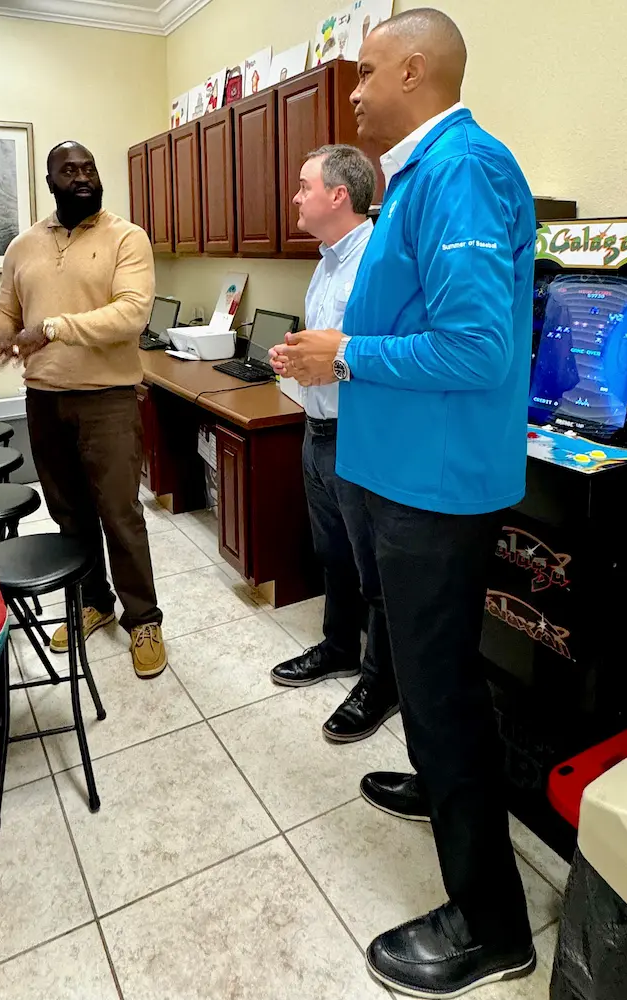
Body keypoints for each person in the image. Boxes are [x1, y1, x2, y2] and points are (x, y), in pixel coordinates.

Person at [270, 9, 537, 998]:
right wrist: (337, 350)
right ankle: (437, 788)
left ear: (415, 71)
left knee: (438, 693)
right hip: (393, 478)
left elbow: (474, 348)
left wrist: (344, 352)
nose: (353, 93)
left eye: (367, 74)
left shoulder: (463, 169)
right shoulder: (414, 178)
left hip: (432, 489)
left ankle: (490, 924)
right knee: (431, 682)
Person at [0, 141, 168, 680]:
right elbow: (6, 313)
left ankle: (143, 618)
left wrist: (52, 328)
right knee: (69, 512)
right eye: (69, 171)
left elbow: (130, 314)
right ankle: (94, 601)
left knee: (120, 514)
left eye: (89, 168)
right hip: (44, 400)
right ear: (51, 181)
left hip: (107, 400)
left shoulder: (127, 238)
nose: (82, 177)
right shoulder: (24, 245)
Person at [270, 145, 399, 746]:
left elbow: (380, 357)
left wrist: (331, 365)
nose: (296, 198)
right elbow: (330, 348)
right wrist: (293, 357)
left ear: (338, 195)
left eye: (303, 187)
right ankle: (340, 647)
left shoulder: (379, 260)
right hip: (316, 429)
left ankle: (381, 684)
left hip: (360, 437)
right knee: (334, 556)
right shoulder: (326, 262)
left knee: (375, 572)